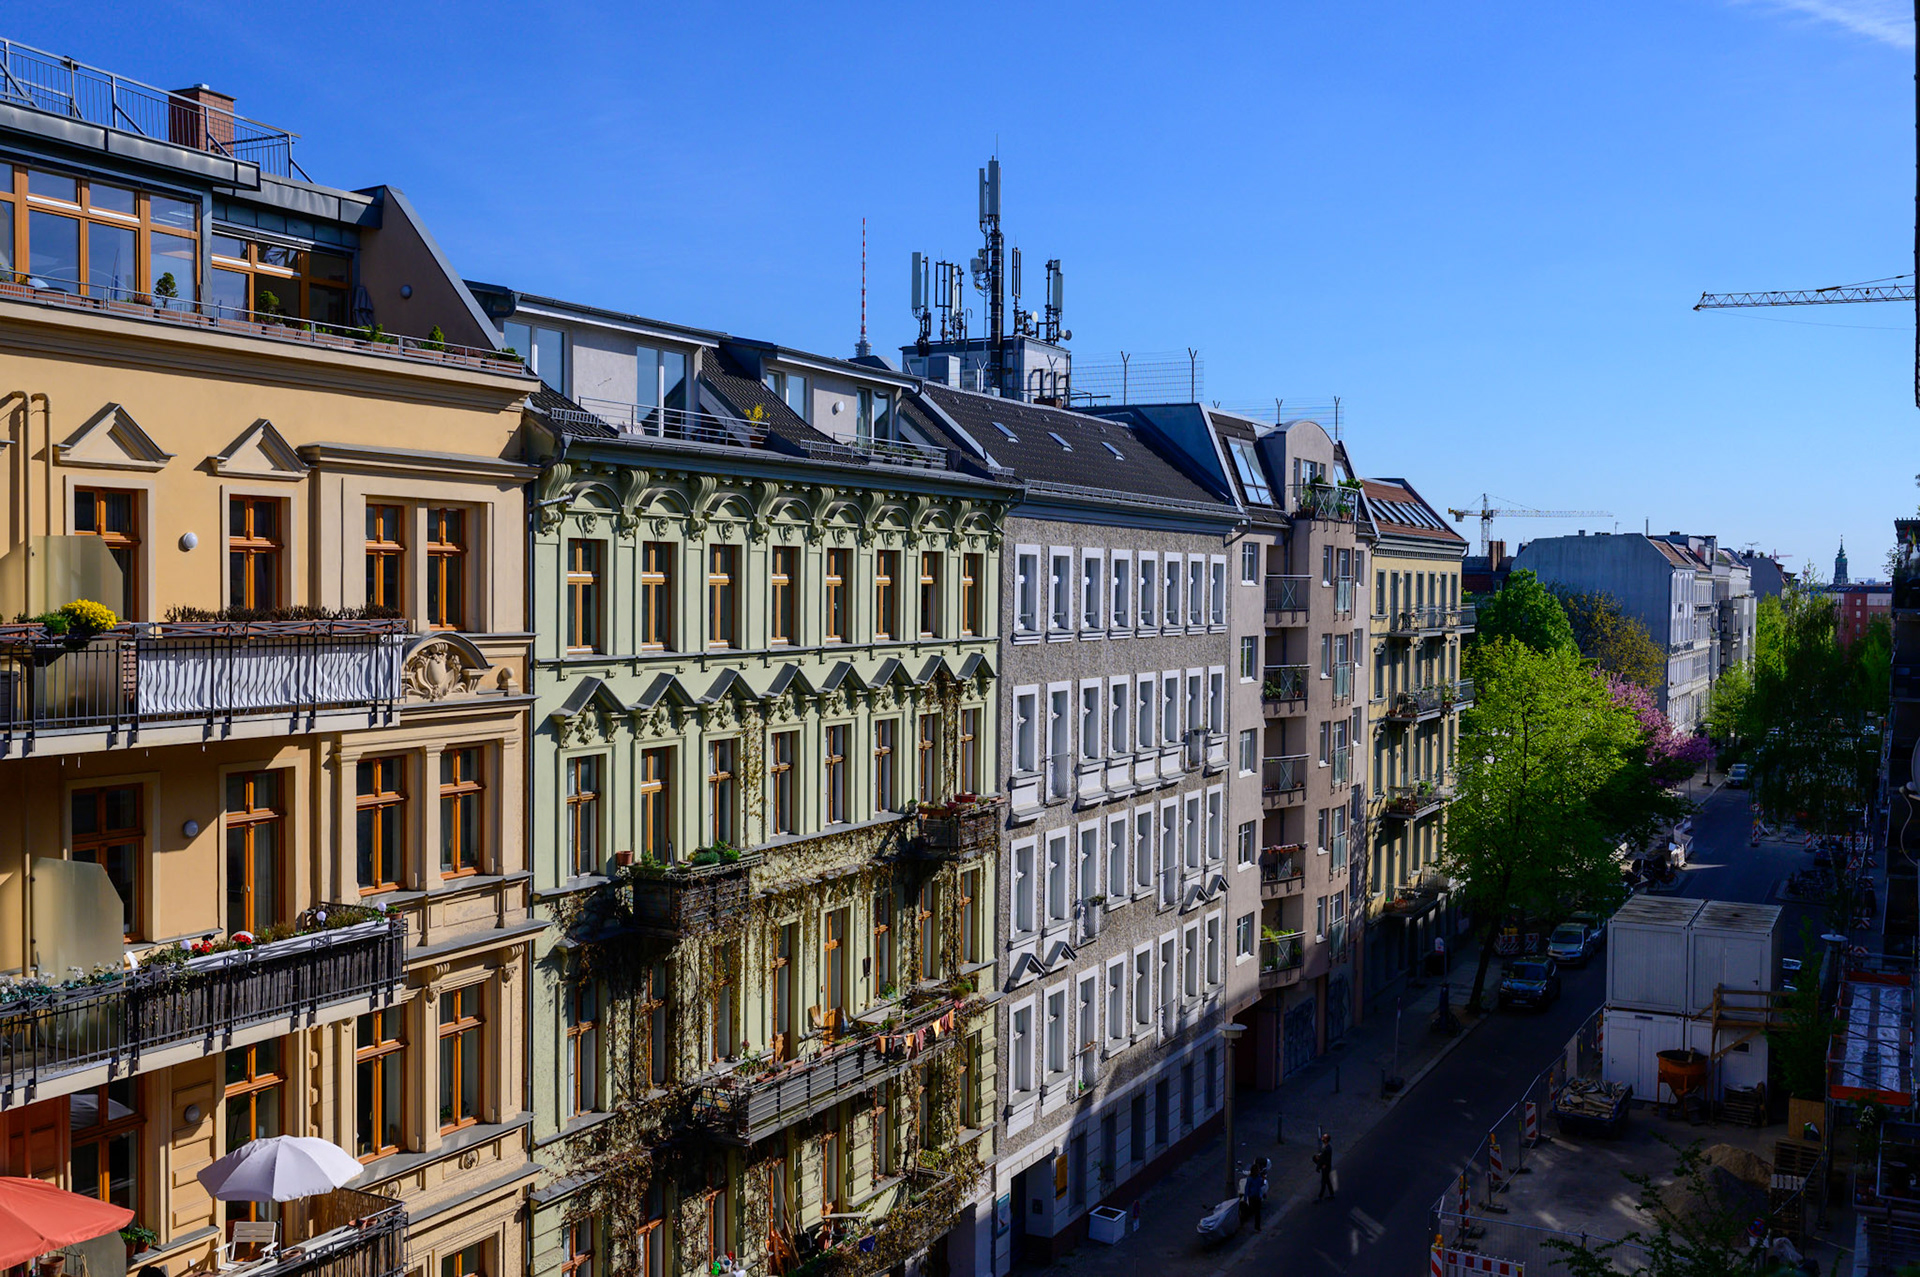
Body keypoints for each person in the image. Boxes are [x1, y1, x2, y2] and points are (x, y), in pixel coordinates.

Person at [1243, 1158, 1269, 1230]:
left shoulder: (1253, 1178)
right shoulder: (1254, 1178)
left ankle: (1257, 1227)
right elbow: (1248, 1188)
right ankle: (1257, 1227)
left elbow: (1247, 1188)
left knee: (1256, 1211)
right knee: (1256, 1212)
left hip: (1254, 1196)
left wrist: (1246, 1197)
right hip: (1256, 1196)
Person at [1313, 1133, 1336, 1201]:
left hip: (1325, 1168)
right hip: (1325, 1166)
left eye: (1324, 1137)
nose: (1322, 1138)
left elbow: (1327, 1159)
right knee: (1327, 1181)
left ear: (1326, 1140)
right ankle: (1331, 1194)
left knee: (1323, 1182)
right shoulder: (1325, 1146)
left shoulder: (1328, 1149)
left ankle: (1320, 1197)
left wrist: (1324, 1165)